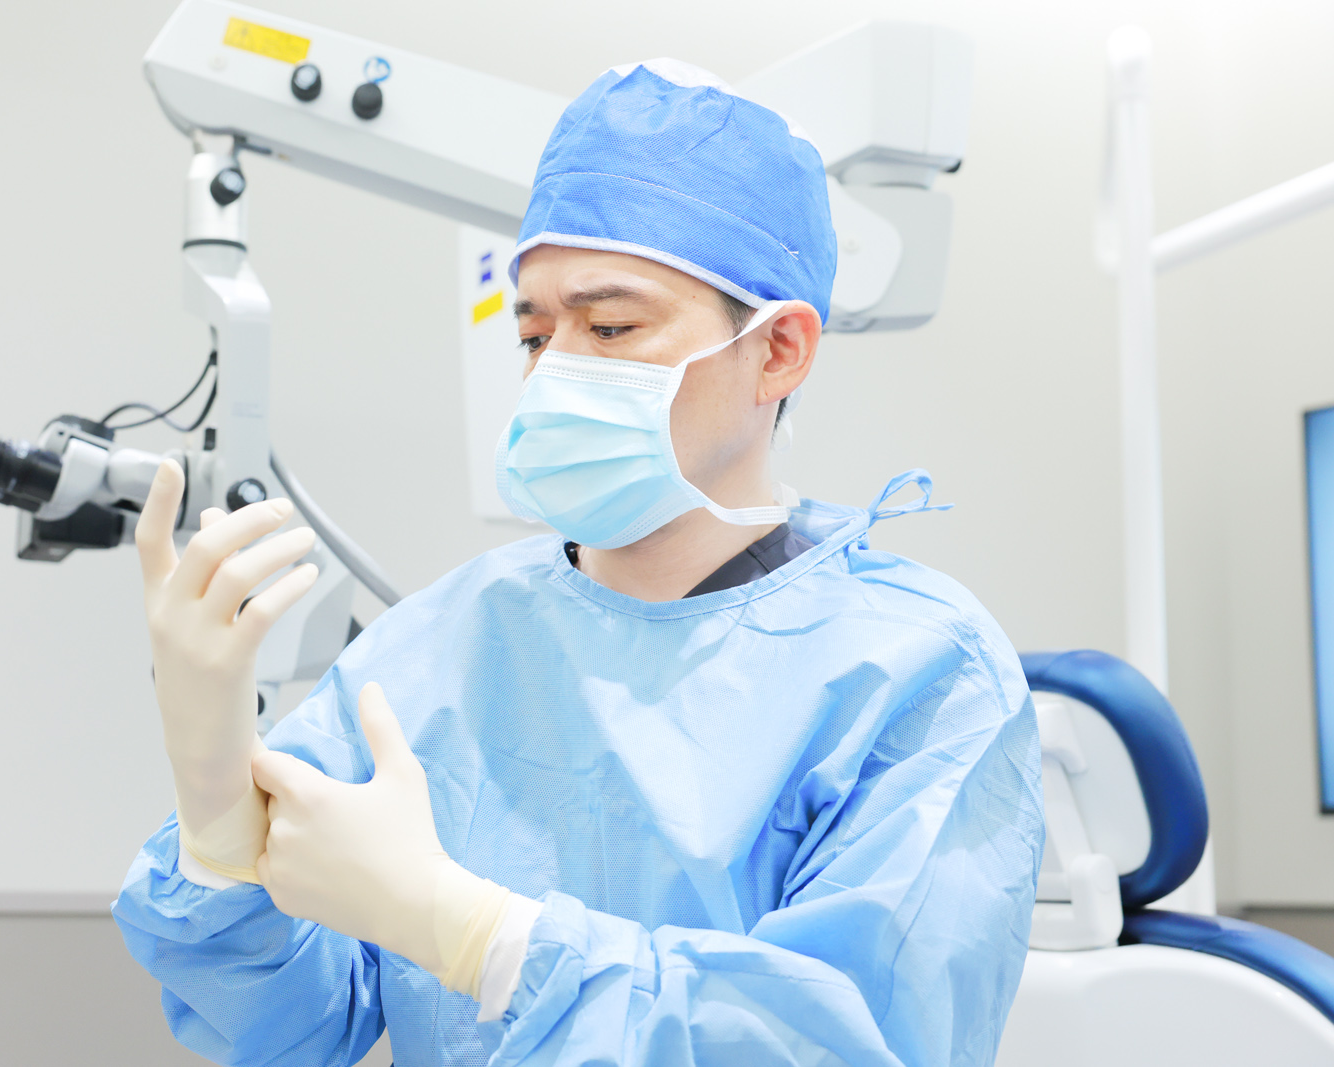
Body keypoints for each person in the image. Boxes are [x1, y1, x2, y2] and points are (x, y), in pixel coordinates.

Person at [114, 59, 1043, 1067]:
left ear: (777, 350)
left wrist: (477, 934)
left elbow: (851, 1040)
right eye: (533, 332)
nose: (556, 369)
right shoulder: (444, 645)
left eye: (609, 327)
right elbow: (292, 1026)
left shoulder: (918, 674)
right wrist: (217, 803)